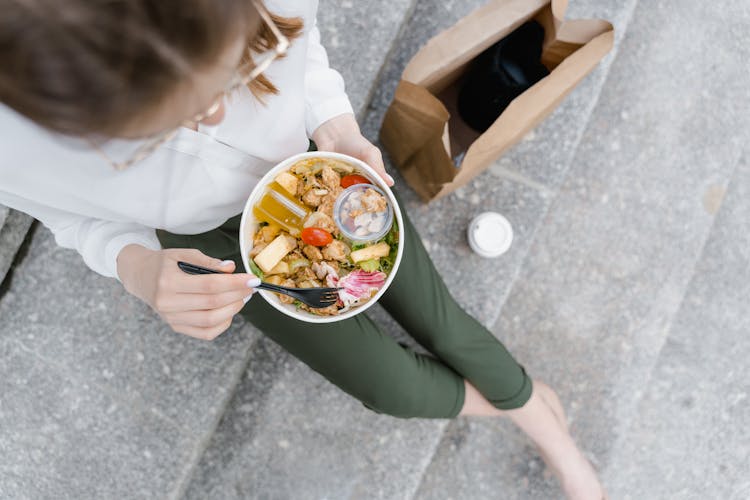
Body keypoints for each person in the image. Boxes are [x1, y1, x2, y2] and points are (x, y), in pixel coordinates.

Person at [0, 1, 604, 498]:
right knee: (390, 388)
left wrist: (338, 127)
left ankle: (547, 430)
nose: (216, 111)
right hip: (214, 243)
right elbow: (64, 209)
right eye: (165, 121)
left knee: (442, 322)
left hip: (320, 179)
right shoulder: (15, 146)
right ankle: (518, 403)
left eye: (235, 63)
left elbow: (303, 49)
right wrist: (134, 266)